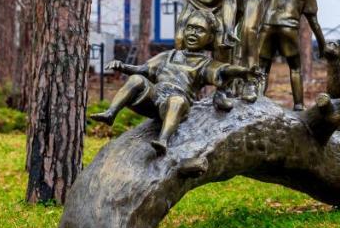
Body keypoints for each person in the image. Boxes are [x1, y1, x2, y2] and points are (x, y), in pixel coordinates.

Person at [89, 9, 254, 154]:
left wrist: (244, 71)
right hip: (153, 96)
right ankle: (111, 113)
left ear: (210, 37)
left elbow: (224, 70)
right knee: (136, 79)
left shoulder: (205, 63)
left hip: (176, 104)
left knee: (176, 101)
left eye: (200, 30)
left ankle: (163, 140)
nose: (192, 33)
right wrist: (123, 66)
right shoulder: (169, 55)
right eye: (190, 28)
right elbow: (143, 70)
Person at [258, 0, 326, 110]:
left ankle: (258, 99)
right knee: (295, 68)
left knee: (262, 66)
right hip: (289, 28)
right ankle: (298, 105)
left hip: (267, 25)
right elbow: (314, 22)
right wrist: (322, 44)